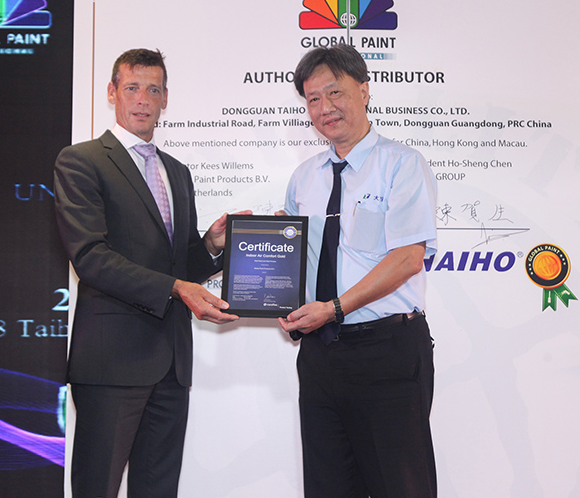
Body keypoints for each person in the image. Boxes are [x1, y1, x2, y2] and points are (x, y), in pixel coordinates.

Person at [54, 48, 239, 498]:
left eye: (153, 89)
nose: (143, 99)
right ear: (112, 92)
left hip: (171, 365)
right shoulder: (81, 161)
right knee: (97, 488)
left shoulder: (177, 172)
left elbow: (181, 265)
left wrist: (211, 245)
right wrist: (176, 286)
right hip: (111, 364)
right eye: (132, 87)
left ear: (165, 98)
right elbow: (90, 257)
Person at [278, 44, 438, 497]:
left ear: (364, 91)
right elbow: (294, 258)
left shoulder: (401, 164)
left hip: (387, 351)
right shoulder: (304, 178)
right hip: (321, 356)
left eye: (335, 93)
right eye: (313, 99)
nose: (324, 108)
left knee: (401, 486)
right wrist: (279, 295)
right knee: (326, 486)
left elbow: (407, 258)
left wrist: (334, 307)